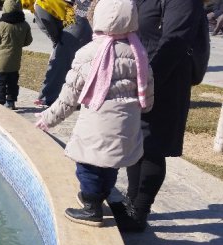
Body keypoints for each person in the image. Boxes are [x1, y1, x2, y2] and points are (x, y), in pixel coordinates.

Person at [34, 0, 155, 227]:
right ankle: (98, 198)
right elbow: (147, 89)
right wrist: (146, 107)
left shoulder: (88, 53)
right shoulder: (138, 53)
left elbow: (68, 96)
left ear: (96, 18)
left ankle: (91, 208)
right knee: (110, 166)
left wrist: (48, 118)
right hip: (126, 126)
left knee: (88, 166)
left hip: (95, 127)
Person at [110, 0, 207, 232]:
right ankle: (130, 202)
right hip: (143, 76)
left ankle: (139, 212)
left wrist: (149, 82)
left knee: (153, 145)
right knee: (137, 141)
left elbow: (175, 42)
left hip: (166, 80)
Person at [35, 0, 92, 107]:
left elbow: (46, 21)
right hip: (80, 23)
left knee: (60, 63)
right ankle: (73, 99)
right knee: (75, 66)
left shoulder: (41, 4)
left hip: (76, 25)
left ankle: (49, 98)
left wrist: (56, 41)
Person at [0, 0, 33, 109]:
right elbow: (28, 41)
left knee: (0, 83)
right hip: (15, 61)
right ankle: (11, 102)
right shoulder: (25, 25)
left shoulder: (2, 25)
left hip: (1, 61)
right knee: (13, 83)